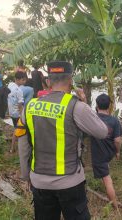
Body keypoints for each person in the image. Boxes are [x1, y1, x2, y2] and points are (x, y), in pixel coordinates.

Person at [17, 61, 108, 220]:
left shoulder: (30, 106)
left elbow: (23, 144)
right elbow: (102, 131)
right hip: (70, 181)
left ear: (48, 81)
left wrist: (26, 175)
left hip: (39, 181)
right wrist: (84, 103)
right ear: (70, 81)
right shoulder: (76, 107)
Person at [90, 93, 122, 210]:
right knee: (105, 174)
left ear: (97, 105)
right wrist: (118, 152)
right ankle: (112, 201)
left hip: (99, 155)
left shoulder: (92, 117)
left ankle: (115, 206)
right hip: (109, 152)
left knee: (107, 179)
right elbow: (118, 140)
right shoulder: (114, 121)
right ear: (109, 106)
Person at [8, 71, 27, 153]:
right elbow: (20, 105)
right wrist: (23, 115)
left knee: (16, 129)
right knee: (20, 130)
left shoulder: (10, 85)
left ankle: (13, 148)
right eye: (23, 80)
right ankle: (15, 148)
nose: (24, 82)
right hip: (17, 114)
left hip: (11, 112)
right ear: (17, 79)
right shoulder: (19, 90)